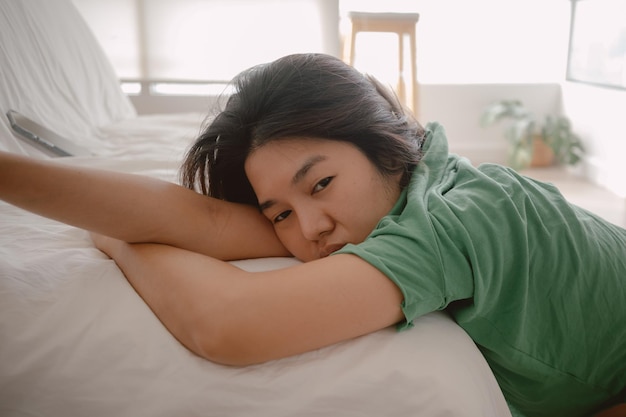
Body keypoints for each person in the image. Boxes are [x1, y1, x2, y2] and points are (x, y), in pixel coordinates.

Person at [0, 53, 624, 417]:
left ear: (384, 145)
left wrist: (119, 242)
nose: (311, 230)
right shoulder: (388, 201)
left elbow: (229, 325)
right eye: (280, 214)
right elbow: (207, 221)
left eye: (320, 184)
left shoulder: (452, 221)